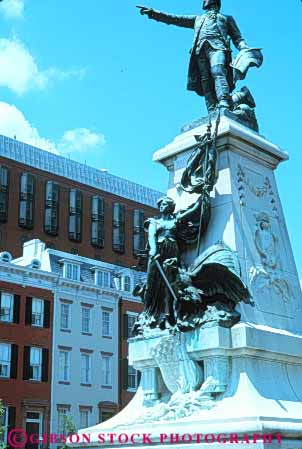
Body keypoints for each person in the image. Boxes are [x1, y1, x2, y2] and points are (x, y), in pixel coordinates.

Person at [138, 0, 249, 113]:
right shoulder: (198, 19)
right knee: (205, 80)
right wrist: (154, 13)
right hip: (200, 51)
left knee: (218, 70)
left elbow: (237, 37)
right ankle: (212, 109)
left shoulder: (226, 18)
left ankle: (224, 101)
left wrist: (244, 47)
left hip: (218, 48)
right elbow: (175, 19)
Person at [143, 194, 209, 329]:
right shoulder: (153, 222)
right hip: (157, 251)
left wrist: (204, 196)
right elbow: (151, 236)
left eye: (165, 204)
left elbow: (193, 211)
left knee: (170, 282)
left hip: (172, 251)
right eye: (160, 204)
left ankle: (170, 313)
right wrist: (153, 250)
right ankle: (151, 313)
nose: (162, 206)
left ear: (171, 208)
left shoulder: (176, 220)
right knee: (152, 283)